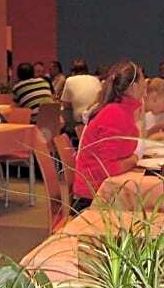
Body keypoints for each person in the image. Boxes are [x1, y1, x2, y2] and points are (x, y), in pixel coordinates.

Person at [72, 61, 146, 208]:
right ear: (134, 86)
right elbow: (108, 168)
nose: (145, 87)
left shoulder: (121, 110)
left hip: (104, 191)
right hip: (94, 198)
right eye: (143, 82)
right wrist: (134, 159)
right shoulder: (114, 114)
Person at [60, 59, 102, 127]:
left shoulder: (70, 80)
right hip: (99, 116)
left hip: (82, 121)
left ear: (72, 72)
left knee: (66, 113)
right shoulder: (96, 79)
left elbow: (66, 105)